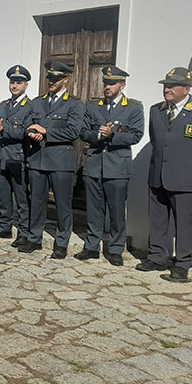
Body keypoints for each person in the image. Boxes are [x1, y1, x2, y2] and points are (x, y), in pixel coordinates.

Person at [140, 60, 192, 282]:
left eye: (173, 86)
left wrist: (191, 163)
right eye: (165, 85)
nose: (167, 89)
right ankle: (157, 257)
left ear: (187, 89)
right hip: (157, 177)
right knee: (157, 220)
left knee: (184, 224)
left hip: (185, 179)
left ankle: (182, 264)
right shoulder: (156, 110)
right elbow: (157, 141)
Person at [76, 65, 144, 266]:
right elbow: (83, 130)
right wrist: (98, 135)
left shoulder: (133, 107)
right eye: (105, 82)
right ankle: (91, 246)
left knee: (116, 211)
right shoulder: (94, 106)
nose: (107, 86)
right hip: (94, 164)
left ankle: (115, 249)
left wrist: (113, 135)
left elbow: (136, 135)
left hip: (117, 168)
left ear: (122, 85)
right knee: (94, 210)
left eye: (112, 83)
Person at [22, 61, 84, 258]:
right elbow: (29, 123)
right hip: (38, 158)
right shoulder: (37, 101)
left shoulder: (74, 104)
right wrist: (33, 132)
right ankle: (34, 238)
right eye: (50, 78)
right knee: (37, 201)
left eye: (56, 79)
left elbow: (74, 131)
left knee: (63, 204)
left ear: (65, 80)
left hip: (61, 160)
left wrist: (46, 131)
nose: (52, 82)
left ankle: (62, 242)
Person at [0, 66, 34, 247]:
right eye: (12, 82)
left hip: (18, 157)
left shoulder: (30, 106)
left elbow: (25, 132)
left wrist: (3, 128)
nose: (14, 86)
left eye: (18, 83)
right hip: (1, 156)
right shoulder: (3, 105)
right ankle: (4, 227)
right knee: (4, 196)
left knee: (21, 198)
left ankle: (23, 232)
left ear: (26, 85)